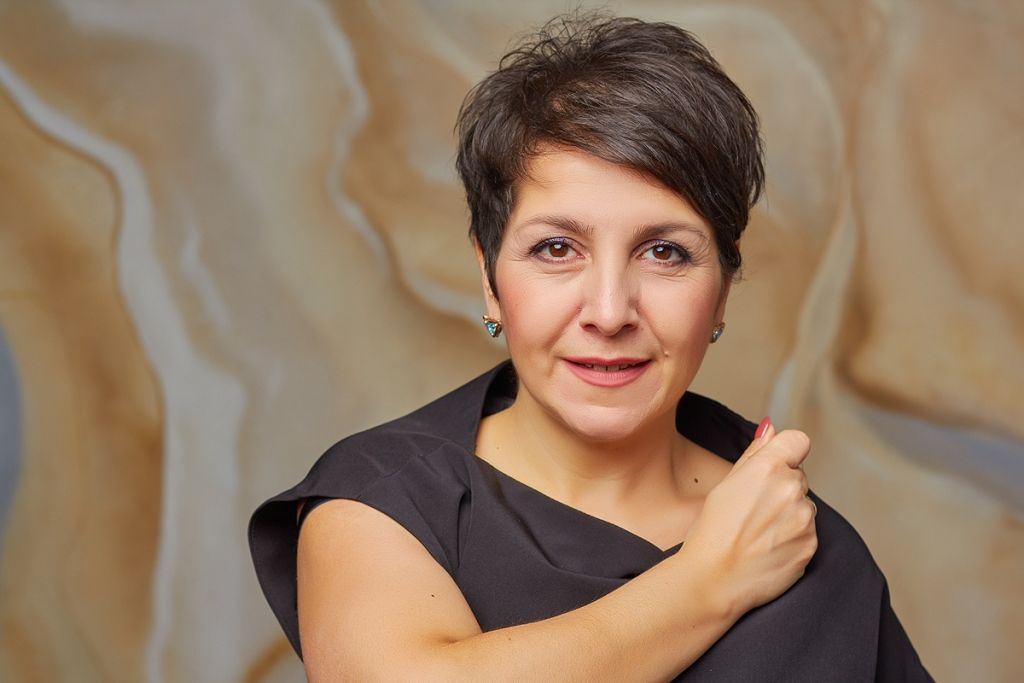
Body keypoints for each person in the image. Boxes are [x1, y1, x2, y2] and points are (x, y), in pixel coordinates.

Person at [249, 14, 932, 681]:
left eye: (664, 252)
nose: (609, 312)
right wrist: (706, 581)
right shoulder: (381, 500)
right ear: (490, 278)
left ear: (722, 291)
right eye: (556, 249)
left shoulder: (789, 526)